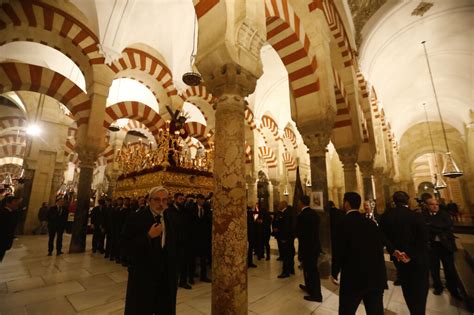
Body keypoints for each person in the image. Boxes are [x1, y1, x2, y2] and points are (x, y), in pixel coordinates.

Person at [122, 186, 179, 315]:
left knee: (164, 307)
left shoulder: (170, 218)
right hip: (144, 274)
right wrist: (148, 236)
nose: (161, 204)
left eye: (164, 200)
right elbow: (125, 246)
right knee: (142, 307)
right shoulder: (136, 218)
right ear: (149, 200)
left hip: (166, 274)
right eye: (157, 200)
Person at [331, 192, 387, 315]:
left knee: (347, 310)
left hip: (354, 277)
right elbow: (380, 246)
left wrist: (334, 272)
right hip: (375, 276)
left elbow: (338, 250)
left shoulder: (342, 223)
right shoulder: (371, 223)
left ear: (346, 204)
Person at [379, 191, 429, 315]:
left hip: (399, 259)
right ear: (407, 200)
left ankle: (413, 310)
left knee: (407, 287)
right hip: (417, 259)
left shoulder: (386, 216)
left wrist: (395, 251)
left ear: (394, 201)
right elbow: (423, 239)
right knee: (420, 288)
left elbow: (382, 236)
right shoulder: (416, 216)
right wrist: (408, 254)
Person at [423, 197, 462, 299]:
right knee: (434, 268)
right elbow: (424, 228)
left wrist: (431, 225)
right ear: (427, 206)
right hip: (432, 246)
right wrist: (437, 227)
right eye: (432, 204)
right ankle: (438, 287)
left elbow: (447, 224)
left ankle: (453, 289)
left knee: (450, 268)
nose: (435, 206)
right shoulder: (423, 215)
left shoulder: (444, 214)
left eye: (437, 204)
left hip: (446, 245)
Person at [296, 195, 322, 302]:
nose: (297, 204)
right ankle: (309, 287)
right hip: (314, 246)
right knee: (308, 269)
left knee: (311, 271)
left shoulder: (302, 215)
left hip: (307, 247)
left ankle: (316, 295)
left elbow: (300, 233)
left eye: (298, 202)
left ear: (302, 203)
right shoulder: (314, 213)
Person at [190, 194, 212, 283]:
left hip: (203, 238)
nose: (202, 201)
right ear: (197, 200)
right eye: (201, 199)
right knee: (192, 259)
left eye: (204, 200)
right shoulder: (192, 208)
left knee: (203, 258)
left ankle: (204, 276)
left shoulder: (206, 209)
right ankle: (191, 277)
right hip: (194, 238)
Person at [276, 201, 295, 278]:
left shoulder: (286, 213)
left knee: (286, 254)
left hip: (286, 238)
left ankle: (285, 272)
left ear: (284, 205)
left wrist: (284, 238)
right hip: (289, 237)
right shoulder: (287, 212)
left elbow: (286, 227)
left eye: (280, 204)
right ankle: (291, 269)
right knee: (290, 253)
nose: (278, 205)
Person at [0, 195, 22, 262]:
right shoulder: (3, 213)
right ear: (7, 203)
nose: (17, 204)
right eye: (15, 202)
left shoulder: (11, 213)